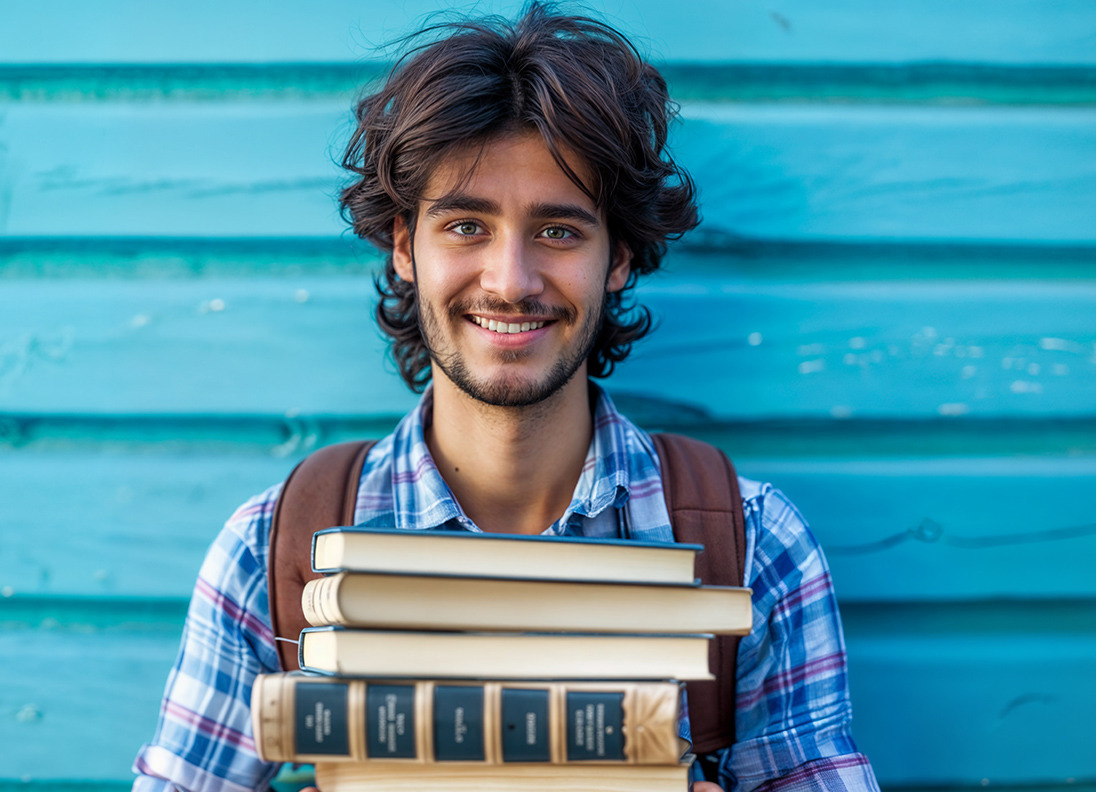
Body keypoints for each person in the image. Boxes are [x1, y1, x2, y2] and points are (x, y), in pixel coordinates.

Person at [132, 4, 878, 791]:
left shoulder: (755, 550)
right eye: (464, 226)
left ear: (619, 257)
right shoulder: (272, 556)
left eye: (558, 231)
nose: (511, 281)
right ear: (402, 247)